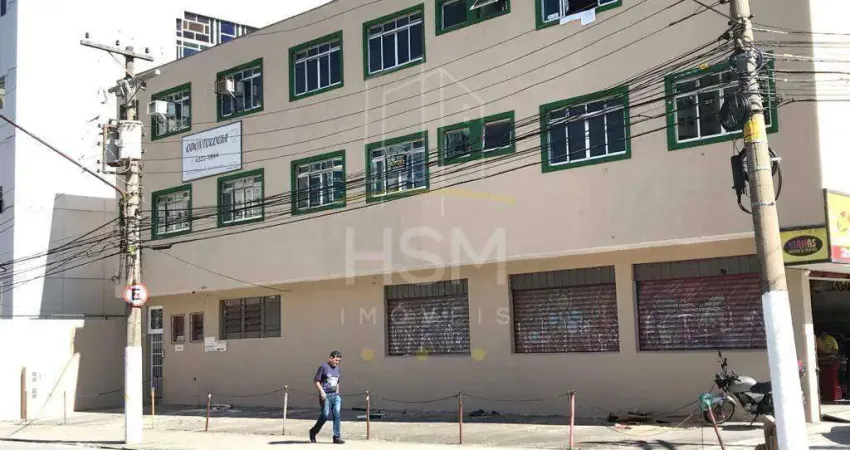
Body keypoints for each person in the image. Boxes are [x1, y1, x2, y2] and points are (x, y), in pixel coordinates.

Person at [309, 350, 344, 444]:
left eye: (339, 361)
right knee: (325, 415)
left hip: (335, 396)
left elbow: (337, 381)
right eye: (336, 360)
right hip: (326, 396)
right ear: (331, 358)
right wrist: (322, 392)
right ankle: (313, 431)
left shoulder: (337, 369)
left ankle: (336, 437)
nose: (337, 362)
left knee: (337, 414)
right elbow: (316, 381)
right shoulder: (324, 367)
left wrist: (337, 392)